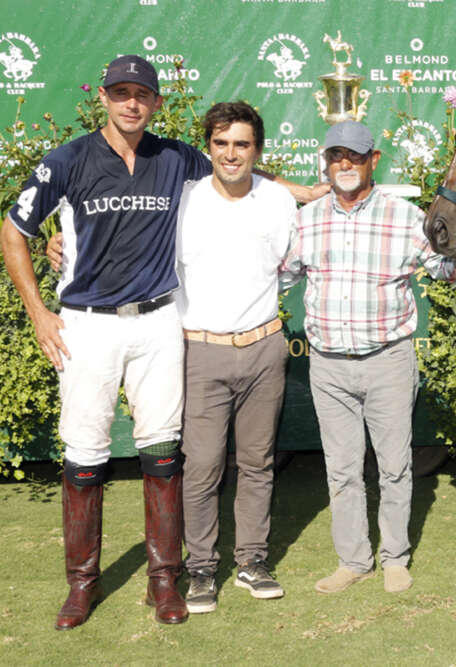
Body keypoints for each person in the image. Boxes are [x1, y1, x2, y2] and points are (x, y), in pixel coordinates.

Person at [1, 55, 320, 630]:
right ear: (103, 97)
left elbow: (239, 171)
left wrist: (302, 189)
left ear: (155, 104)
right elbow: (15, 230)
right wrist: (38, 312)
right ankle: (81, 586)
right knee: (85, 453)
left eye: (141, 94)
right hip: (86, 322)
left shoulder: (175, 157)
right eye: (120, 92)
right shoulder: (67, 160)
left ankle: (165, 581)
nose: (131, 103)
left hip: (157, 321)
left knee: (162, 450)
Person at [278, 120, 456, 595]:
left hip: (388, 359)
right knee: (342, 469)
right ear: (325, 161)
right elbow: (280, 278)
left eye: (355, 155)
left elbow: (445, 270)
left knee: (393, 466)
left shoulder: (406, 217)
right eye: (336, 156)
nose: (345, 164)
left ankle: (394, 558)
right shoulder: (305, 220)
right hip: (327, 365)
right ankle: (353, 561)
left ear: (373, 160)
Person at [174, 102, 295, 613]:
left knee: (257, 462)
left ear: (257, 151)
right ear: (209, 147)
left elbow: (286, 271)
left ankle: (251, 560)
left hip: (264, 348)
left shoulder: (279, 201)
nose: (231, 154)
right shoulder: (183, 200)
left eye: (242, 144)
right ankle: (201, 568)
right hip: (202, 350)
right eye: (221, 143)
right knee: (201, 466)